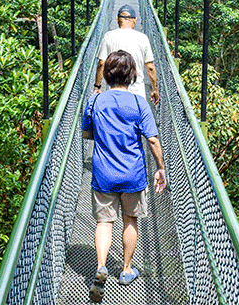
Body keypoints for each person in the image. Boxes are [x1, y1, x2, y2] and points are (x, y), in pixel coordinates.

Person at [82, 50, 167, 301]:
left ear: (106, 75)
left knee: (104, 222)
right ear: (132, 75)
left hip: (104, 172)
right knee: (130, 220)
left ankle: (100, 266)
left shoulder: (94, 101)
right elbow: (152, 139)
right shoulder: (140, 103)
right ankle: (127, 270)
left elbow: (88, 134)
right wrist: (160, 168)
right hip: (133, 173)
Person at [94, 5, 159, 106]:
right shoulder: (143, 38)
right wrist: (155, 89)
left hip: (113, 94)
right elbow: (150, 67)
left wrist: (97, 86)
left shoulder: (108, 36)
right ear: (135, 20)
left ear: (117, 19)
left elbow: (101, 64)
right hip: (137, 94)